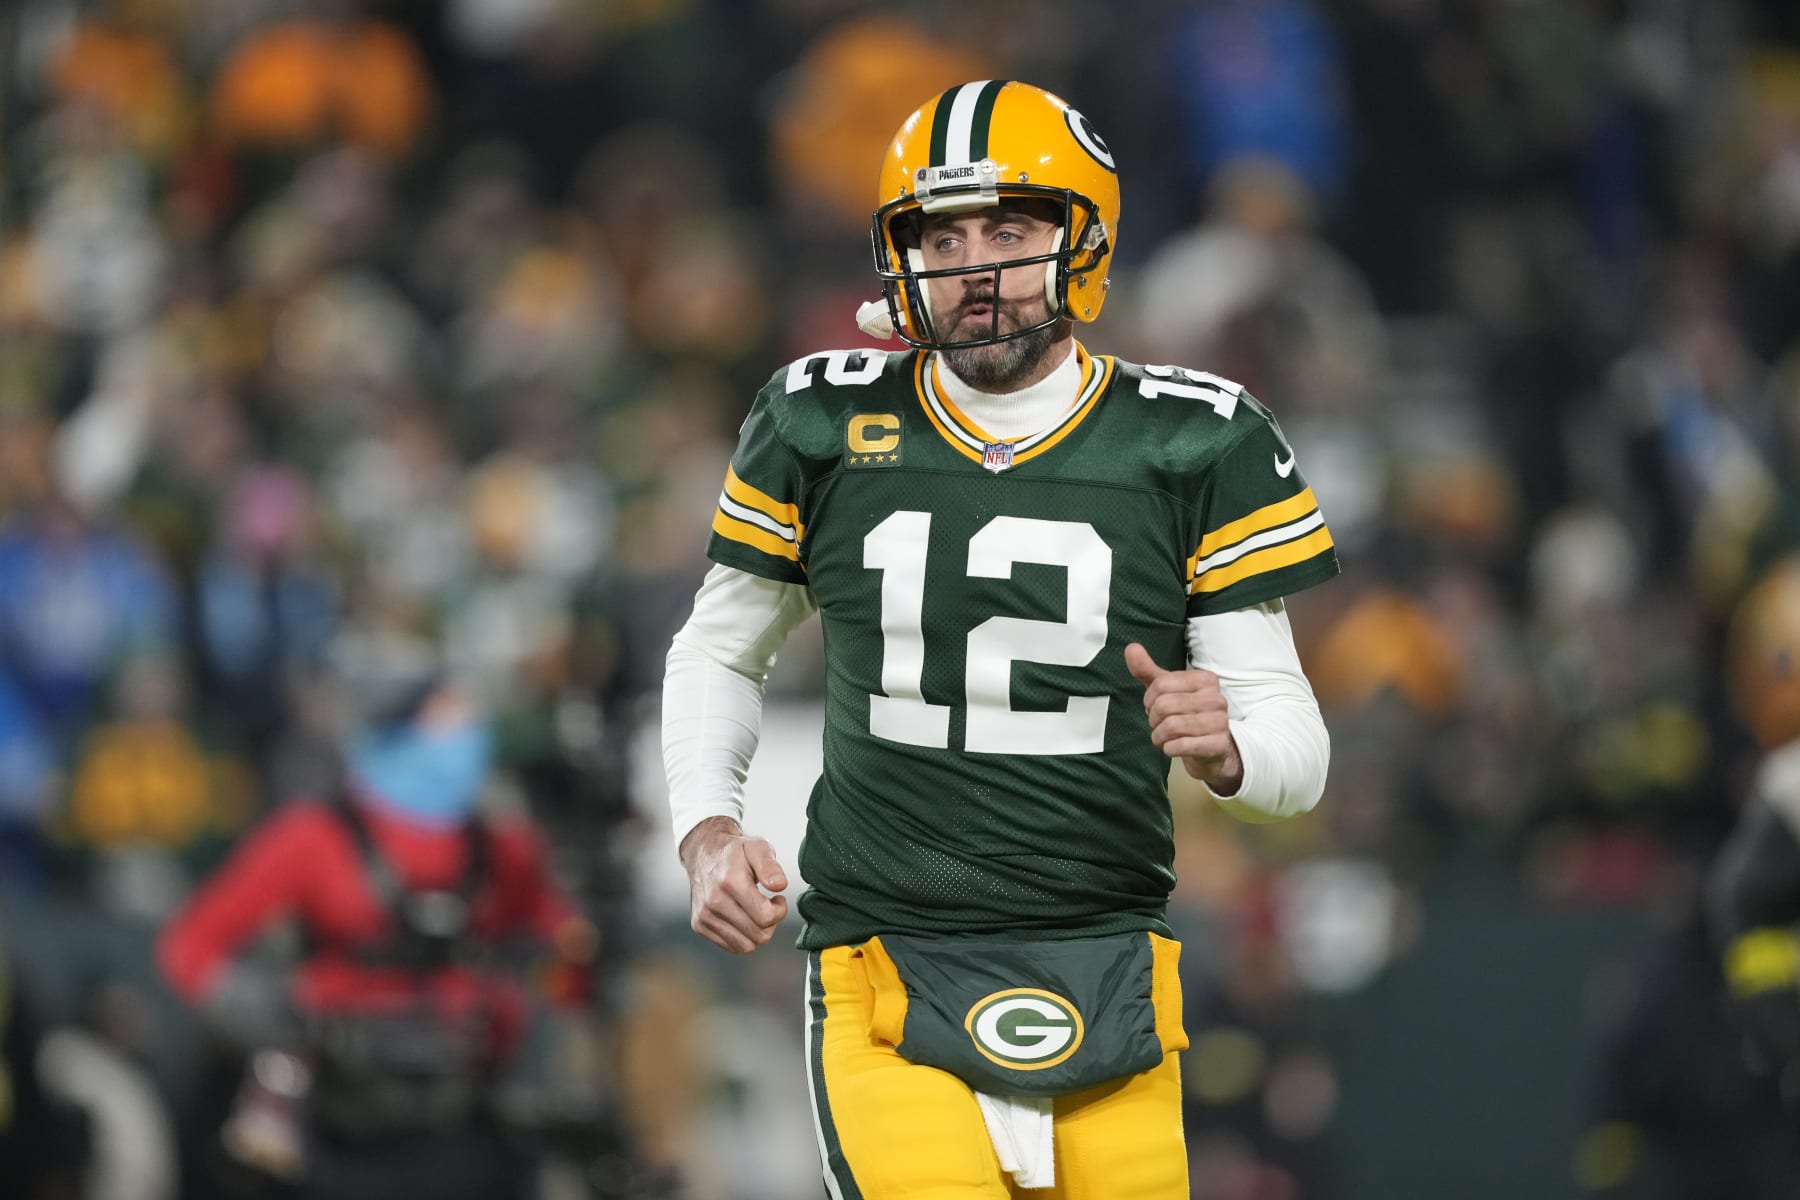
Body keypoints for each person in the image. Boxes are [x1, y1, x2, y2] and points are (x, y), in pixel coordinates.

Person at [662, 80, 1337, 1198]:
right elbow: (719, 651)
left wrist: (1225, 753)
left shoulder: (1193, 440)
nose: (975, 266)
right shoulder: (820, 420)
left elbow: (1295, 760)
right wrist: (707, 832)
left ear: (1082, 240)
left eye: (1010, 231)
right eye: (944, 235)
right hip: (888, 960)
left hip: (1111, 959)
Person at [158, 672, 595, 1200]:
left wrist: (532, 1002)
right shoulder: (316, 836)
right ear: (398, 722)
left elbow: (569, 957)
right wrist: (273, 1017)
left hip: (467, 1125)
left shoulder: (505, 850)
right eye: (448, 715)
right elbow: (189, 947)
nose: (470, 733)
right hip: (342, 1130)